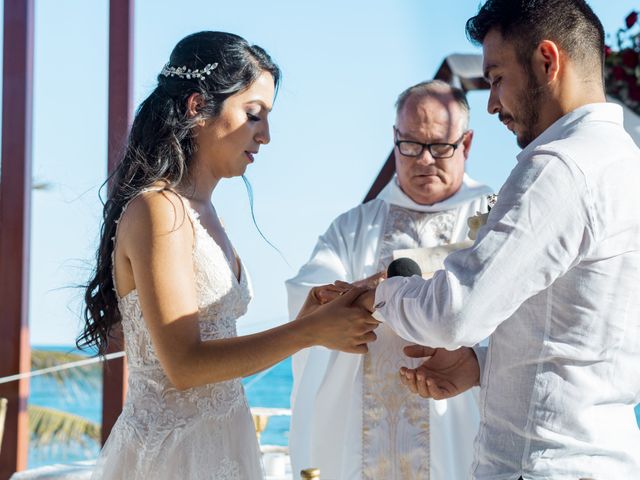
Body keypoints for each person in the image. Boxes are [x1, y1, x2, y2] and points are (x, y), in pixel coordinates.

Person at [347, 1, 640, 479]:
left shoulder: (558, 167)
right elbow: (588, 337)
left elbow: (453, 314)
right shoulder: (627, 162)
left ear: (547, 62)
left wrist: (381, 291)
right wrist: (483, 366)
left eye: (498, 77)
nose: (492, 103)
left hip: (541, 464)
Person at [77, 31, 378, 480]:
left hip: (223, 446)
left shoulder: (205, 213)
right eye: (254, 114)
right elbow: (184, 365)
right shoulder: (159, 210)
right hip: (174, 458)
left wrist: (305, 322)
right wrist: (310, 332)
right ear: (198, 107)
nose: (267, 136)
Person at [287, 80, 493, 479]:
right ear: (394, 139)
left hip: (458, 427)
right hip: (359, 436)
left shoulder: (495, 221)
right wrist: (358, 292)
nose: (424, 160)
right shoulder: (353, 227)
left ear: (466, 144)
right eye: (411, 145)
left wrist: (377, 292)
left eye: (440, 146)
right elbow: (307, 299)